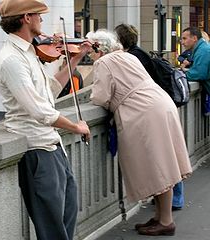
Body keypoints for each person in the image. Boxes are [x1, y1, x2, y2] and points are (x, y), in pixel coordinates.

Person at [0, 0, 91, 239]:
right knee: (51, 227)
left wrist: (76, 59)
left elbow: (49, 89)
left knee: (66, 217)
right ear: (26, 18)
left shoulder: (28, 54)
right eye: (38, 15)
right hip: (37, 150)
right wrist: (75, 126)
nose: (42, 20)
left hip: (52, 147)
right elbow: (40, 111)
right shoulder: (11, 59)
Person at [87, 29, 192, 236]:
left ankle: (166, 221)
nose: (89, 54)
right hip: (159, 104)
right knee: (163, 164)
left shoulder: (103, 63)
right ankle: (161, 217)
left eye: (90, 49)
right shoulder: (127, 56)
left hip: (143, 112)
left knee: (158, 167)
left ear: (99, 48)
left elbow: (100, 97)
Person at [115, 23, 186, 211]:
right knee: (168, 156)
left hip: (153, 110)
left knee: (164, 160)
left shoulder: (131, 58)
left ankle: (173, 202)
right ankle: (170, 203)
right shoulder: (141, 54)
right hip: (163, 105)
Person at [180, 27, 210, 92]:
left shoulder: (203, 51)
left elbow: (199, 74)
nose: (182, 42)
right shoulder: (203, 48)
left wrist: (180, 75)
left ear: (194, 38)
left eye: (184, 39)